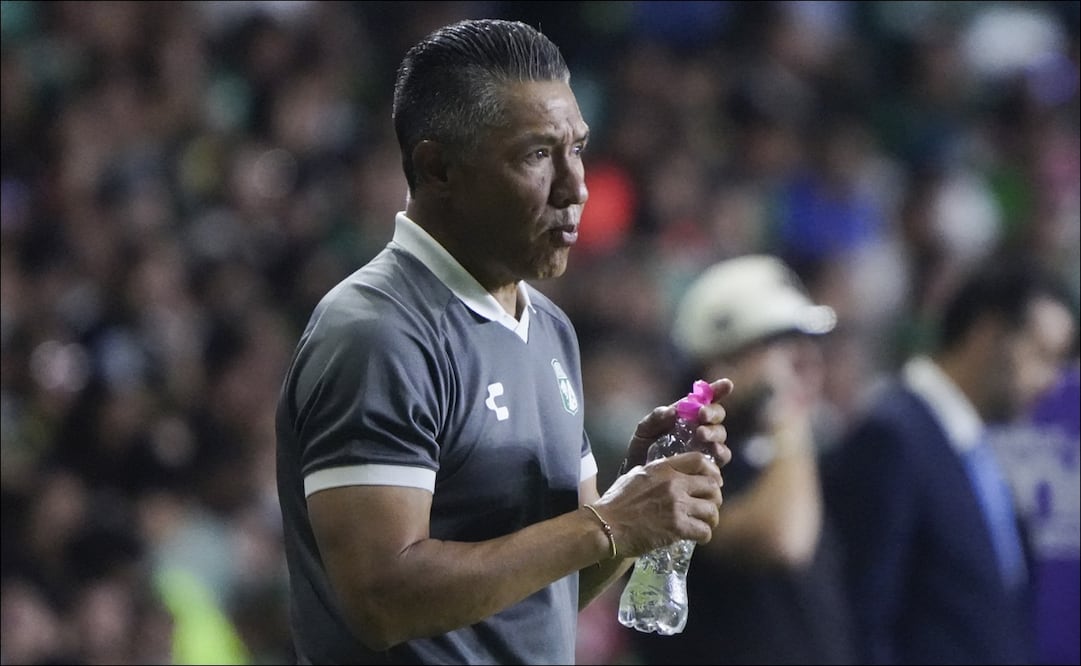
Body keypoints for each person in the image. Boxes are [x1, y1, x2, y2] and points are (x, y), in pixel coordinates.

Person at [274, 19, 734, 665]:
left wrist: (631, 496)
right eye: (537, 155)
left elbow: (550, 590)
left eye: (576, 148)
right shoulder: (379, 332)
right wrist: (607, 522)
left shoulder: (547, 327)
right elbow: (381, 601)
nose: (576, 187)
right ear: (438, 168)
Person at [822, 255, 1078, 665]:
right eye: (1042, 354)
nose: (1051, 382)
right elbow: (863, 617)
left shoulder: (972, 446)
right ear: (988, 334)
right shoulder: (894, 437)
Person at [629, 254, 858, 665]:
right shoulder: (674, 466)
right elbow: (781, 540)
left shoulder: (782, 462)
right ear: (720, 363)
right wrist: (788, 418)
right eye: (780, 343)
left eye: (808, 345)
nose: (805, 362)